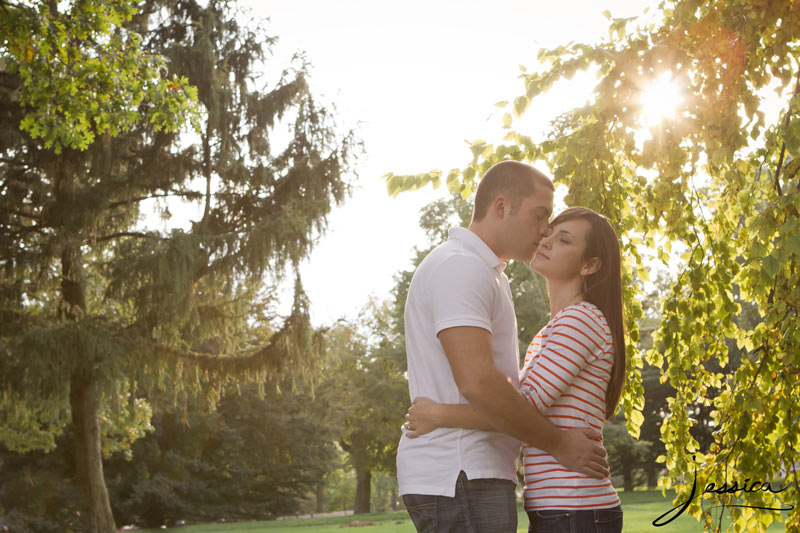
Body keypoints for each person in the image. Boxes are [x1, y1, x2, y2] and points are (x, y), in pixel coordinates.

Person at [397, 161, 609, 533]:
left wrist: (441, 413)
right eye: (540, 216)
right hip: (461, 471)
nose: (545, 230)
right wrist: (558, 443)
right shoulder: (461, 267)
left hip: (471, 473)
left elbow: (514, 391)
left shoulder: (484, 273)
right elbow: (478, 382)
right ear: (501, 207)